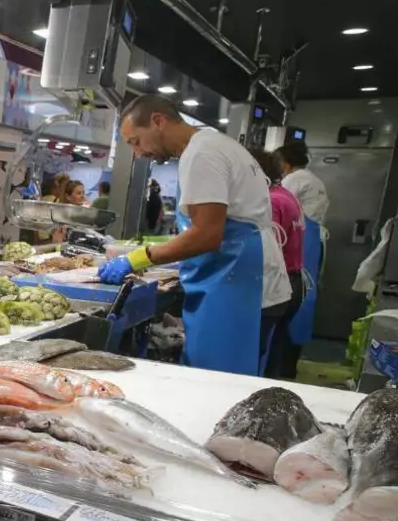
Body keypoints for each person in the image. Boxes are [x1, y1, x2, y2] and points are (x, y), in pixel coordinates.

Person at [99, 95, 291, 376]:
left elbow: (206, 236)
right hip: (243, 277)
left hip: (238, 286)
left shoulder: (202, 154)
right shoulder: (214, 144)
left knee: (217, 384)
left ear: (157, 121)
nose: (138, 154)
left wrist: (136, 259)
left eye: (136, 142)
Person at [254, 150, 306, 379]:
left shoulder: (272, 201)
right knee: (274, 350)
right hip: (292, 283)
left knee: (260, 353)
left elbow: (265, 250)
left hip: (275, 285)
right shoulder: (286, 195)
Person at [276, 141, 330, 353]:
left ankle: (286, 347)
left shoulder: (294, 179)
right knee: (306, 291)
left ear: (286, 163)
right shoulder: (314, 180)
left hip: (300, 237)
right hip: (313, 238)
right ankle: (293, 349)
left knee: (293, 291)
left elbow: (279, 204)